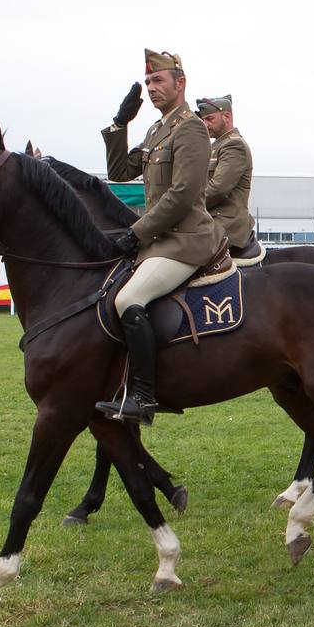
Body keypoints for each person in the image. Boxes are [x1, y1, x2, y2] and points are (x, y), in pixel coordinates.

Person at [97, 48, 226, 425]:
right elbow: (120, 171)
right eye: (149, 81)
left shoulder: (190, 128)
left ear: (180, 83)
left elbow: (183, 193)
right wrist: (120, 125)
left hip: (186, 240)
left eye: (159, 81)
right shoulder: (157, 130)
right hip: (160, 241)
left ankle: (143, 396)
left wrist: (137, 233)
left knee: (129, 299)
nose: (152, 87)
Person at [196, 95, 260, 261]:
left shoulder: (234, 145)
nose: (205, 124)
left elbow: (217, 189)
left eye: (210, 119)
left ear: (227, 116)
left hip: (225, 224)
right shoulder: (215, 146)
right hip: (210, 221)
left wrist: (185, 208)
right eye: (203, 120)